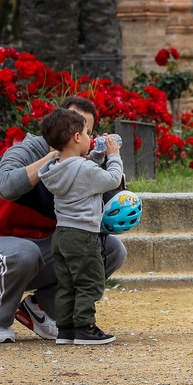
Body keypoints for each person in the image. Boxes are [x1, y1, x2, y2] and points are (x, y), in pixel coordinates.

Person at [0, 97, 127, 343]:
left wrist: (104, 163)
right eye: (74, 128)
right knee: (24, 252)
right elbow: (6, 186)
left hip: (45, 248)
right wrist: (52, 159)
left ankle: (42, 309)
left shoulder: (82, 162)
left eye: (87, 131)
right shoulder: (24, 150)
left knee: (109, 249)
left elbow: (105, 202)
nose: (79, 137)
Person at [38, 108, 124, 345]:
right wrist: (114, 155)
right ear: (76, 137)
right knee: (90, 281)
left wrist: (96, 155)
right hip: (84, 235)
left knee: (66, 283)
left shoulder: (56, 168)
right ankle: (85, 327)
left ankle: (65, 329)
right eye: (87, 133)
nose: (90, 137)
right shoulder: (83, 169)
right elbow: (111, 180)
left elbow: (83, 173)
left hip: (62, 235)